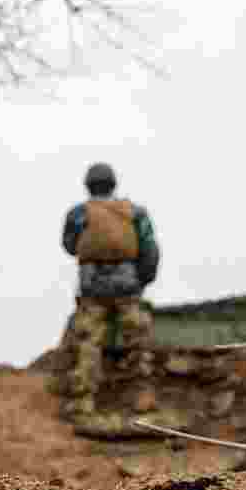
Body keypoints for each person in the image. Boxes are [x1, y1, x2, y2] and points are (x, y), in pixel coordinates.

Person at [60, 162, 160, 416]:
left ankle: (83, 402)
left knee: (88, 340)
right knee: (138, 339)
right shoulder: (135, 212)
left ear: (88, 186)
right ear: (113, 184)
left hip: (92, 284)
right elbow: (150, 249)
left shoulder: (78, 214)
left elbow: (70, 245)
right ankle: (143, 396)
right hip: (127, 283)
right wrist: (142, 280)